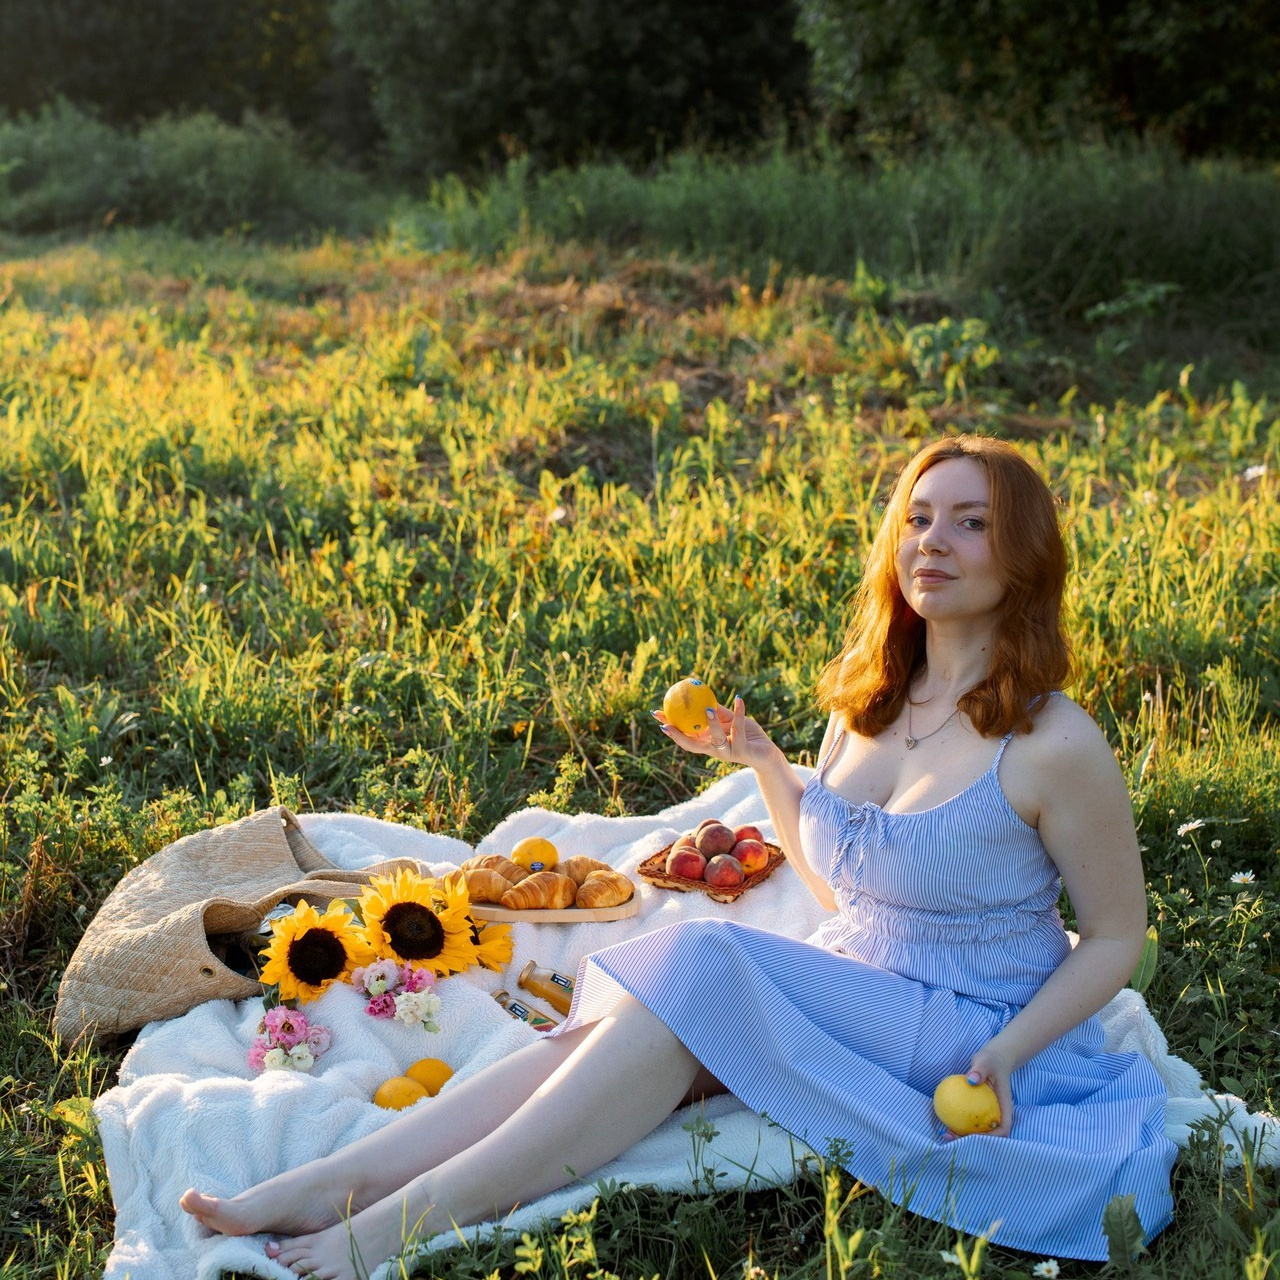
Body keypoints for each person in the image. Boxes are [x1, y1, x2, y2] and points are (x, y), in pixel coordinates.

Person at [180, 434, 1176, 1278]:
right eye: (917, 517)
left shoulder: (1052, 742)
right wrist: (764, 766)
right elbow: (841, 885)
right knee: (628, 1025)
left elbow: (1115, 936)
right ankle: (335, 1179)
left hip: (973, 1022)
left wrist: (1003, 1051)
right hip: (861, 981)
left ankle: (399, 1221)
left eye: (968, 521)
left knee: (700, 957)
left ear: (1023, 554)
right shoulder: (866, 705)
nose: (932, 541)